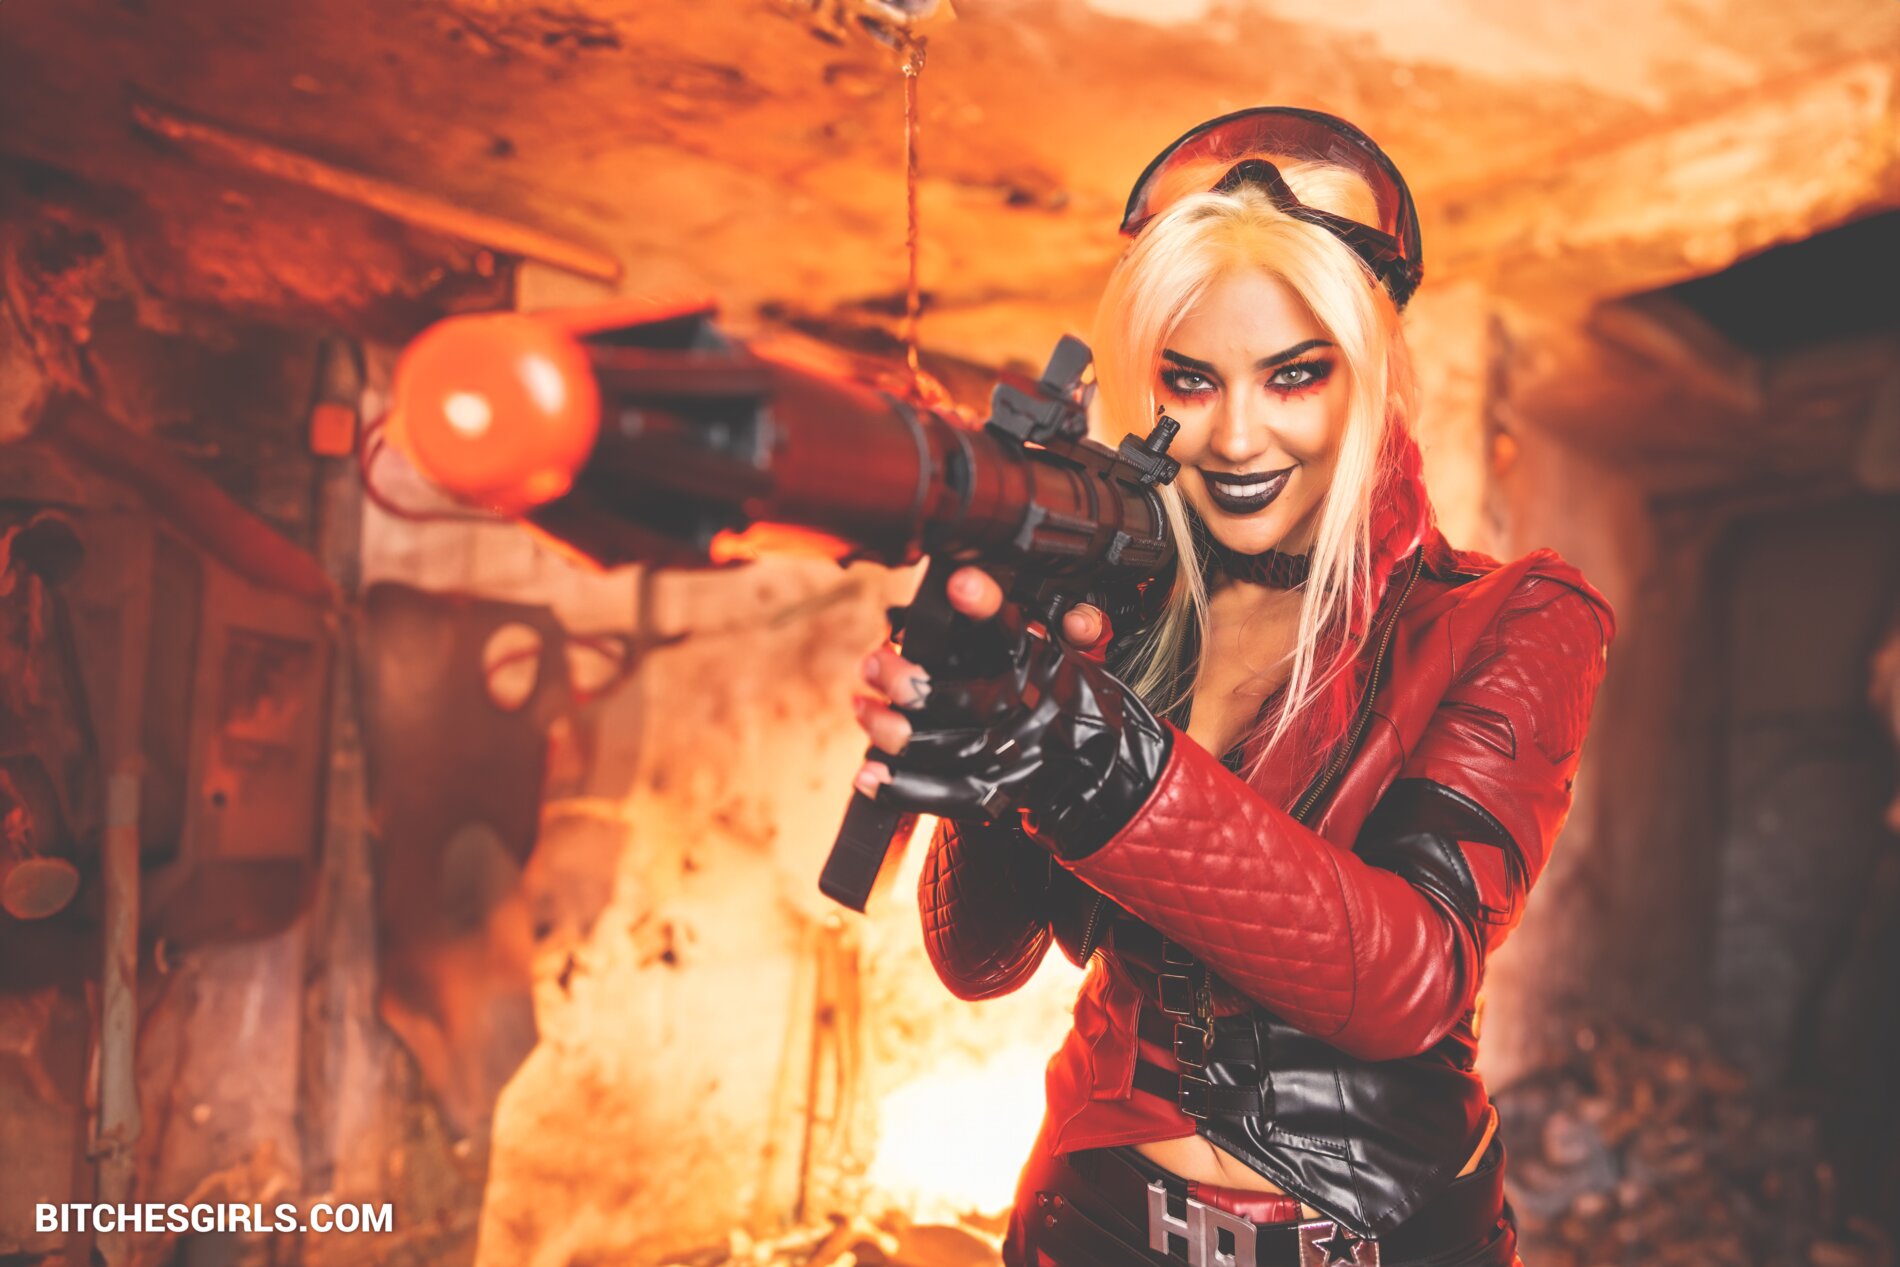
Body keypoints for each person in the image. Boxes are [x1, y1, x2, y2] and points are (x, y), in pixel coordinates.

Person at [850, 107, 1615, 1267]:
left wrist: (1085, 749)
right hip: (1087, 1217)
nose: (1239, 437)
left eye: (1294, 375)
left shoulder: (1512, 616)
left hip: (1373, 1240)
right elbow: (981, 963)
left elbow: (1410, 977)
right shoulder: (1131, 598)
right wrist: (990, 712)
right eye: (1191, 380)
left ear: (1371, 372)